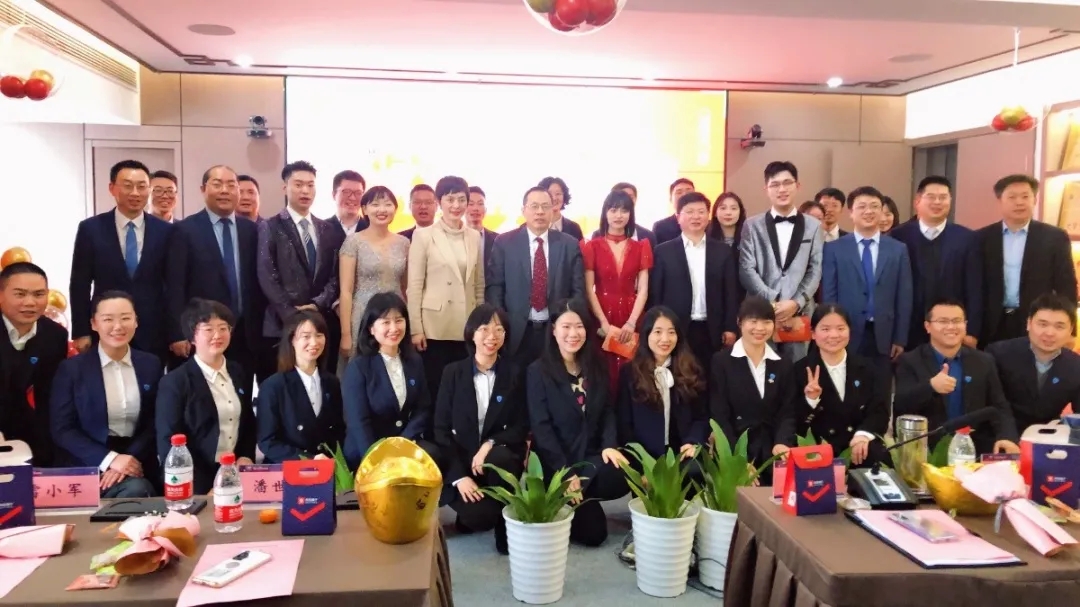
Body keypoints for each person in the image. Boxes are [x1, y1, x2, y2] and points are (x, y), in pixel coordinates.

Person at [527, 298, 628, 547]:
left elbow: (607, 410)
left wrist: (609, 445)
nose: (573, 334)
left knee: (619, 473)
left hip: (588, 459)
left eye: (579, 326)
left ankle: (579, 493)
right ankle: (561, 495)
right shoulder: (538, 371)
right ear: (554, 330)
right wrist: (565, 472)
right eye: (566, 327)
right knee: (593, 534)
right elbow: (542, 428)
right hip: (556, 462)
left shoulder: (596, 365)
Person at [433, 304, 527, 555]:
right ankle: (474, 512)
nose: (491, 336)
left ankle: (506, 528)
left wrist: (489, 444)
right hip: (463, 463)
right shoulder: (452, 373)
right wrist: (458, 476)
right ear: (471, 333)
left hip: (498, 460)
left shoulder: (514, 373)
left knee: (501, 456)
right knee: (479, 518)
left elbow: (520, 426)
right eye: (484, 329)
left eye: (499, 329)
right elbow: (440, 430)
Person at [50, 291, 159, 497]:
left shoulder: (150, 364)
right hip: (89, 460)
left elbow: (154, 422)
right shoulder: (72, 369)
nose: (118, 326)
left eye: (125, 318)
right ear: (94, 323)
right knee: (135, 490)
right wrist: (109, 459)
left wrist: (127, 460)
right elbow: (62, 429)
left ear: (136, 321)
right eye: (108, 319)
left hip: (138, 459)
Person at [166, 165, 265, 392]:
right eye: (217, 184)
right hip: (202, 333)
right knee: (204, 397)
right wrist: (178, 332)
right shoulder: (184, 230)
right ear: (203, 189)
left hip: (245, 334)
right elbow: (174, 285)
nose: (225, 190)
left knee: (241, 395)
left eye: (231, 185)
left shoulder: (251, 231)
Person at [70, 159, 174, 363]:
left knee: (151, 380)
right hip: (106, 328)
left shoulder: (166, 231)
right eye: (127, 186)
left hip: (153, 330)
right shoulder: (91, 229)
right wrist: (81, 330)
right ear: (112, 188)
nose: (135, 193)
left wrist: (175, 332)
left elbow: (173, 284)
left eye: (142, 186)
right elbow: (80, 283)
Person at [894, 298, 1020, 456]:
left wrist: (1007, 437)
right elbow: (901, 405)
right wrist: (931, 386)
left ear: (965, 325)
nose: (951, 327)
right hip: (928, 451)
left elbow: (1000, 406)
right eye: (943, 321)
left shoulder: (983, 361)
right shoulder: (910, 361)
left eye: (957, 321)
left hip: (974, 449)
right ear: (928, 326)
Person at [156, 298, 256, 495]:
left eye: (223, 328)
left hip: (234, 471)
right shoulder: (175, 382)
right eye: (208, 329)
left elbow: (247, 421)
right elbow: (168, 441)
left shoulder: (238, 372)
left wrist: (246, 456)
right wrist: (204, 489)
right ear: (192, 336)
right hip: (194, 479)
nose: (217, 335)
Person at [257, 161, 344, 379]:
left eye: (310, 185)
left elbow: (334, 276)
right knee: (283, 385)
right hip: (281, 325)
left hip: (319, 323)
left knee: (320, 383)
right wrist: (292, 314)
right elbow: (267, 275)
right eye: (298, 184)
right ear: (285, 188)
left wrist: (317, 304)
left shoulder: (327, 229)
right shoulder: (271, 226)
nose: (305, 190)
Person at [486, 186, 585, 367]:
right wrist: (501, 323)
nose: (540, 212)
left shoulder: (569, 244)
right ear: (523, 210)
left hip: (555, 332)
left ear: (553, 210)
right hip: (515, 331)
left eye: (545, 206)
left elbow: (578, 290)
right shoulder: (505, 242)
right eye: (534, 206)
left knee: (553, 380)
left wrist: (569, 326)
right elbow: (495, 287)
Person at [821, 186, 912, 380]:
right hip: (846, 332)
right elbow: (829, 295)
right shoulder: (834, 249)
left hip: (885, 335)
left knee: (881, 389)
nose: (868, 211)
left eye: (874, 206)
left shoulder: (898, 249)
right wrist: (831, 331)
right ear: (851, 212)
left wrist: (900, 338)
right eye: (862, 206)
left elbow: (904, 296)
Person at [407, 176, 485, 402]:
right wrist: (416, 329)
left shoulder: (474, 236)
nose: (456, 205)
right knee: (436, 386)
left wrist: (480, 323)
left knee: (463, 388)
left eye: (461, 199)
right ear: (439, 202)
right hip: (434, 327)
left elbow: (479, 283)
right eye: (450, 199)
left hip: (467, 324)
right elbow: (415, 285)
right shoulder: (424, 235)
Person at [976, 174, 1077, 346]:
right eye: (1012, 197)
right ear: (1000, 201)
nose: (1019, 202)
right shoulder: (981, 238)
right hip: (991, 322)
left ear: (1035, 200)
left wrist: (1070, 330)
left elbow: (1066, 286)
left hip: (1038, 321)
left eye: (1025, 196)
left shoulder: (1055, 237)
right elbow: (973, 286)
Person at [342, 292, 439, 470]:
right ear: (371, 328)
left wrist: (403, 443)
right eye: (386, 322)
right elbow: (358, 423)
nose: (394, 328)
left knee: (436, 457)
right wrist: (377, 459)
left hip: (404, 445)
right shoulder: (359, 367)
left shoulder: (414, 361)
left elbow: (423, 408)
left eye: (399, 320)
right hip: (368, 451)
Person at [739, 161, 824, 363]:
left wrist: (795, 302)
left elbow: (815, 269)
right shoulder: (752, 225)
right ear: (766, 189)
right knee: (761, 367)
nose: (782, 189)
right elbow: (746, 268)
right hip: (762, 311)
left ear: (797, 185)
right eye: (775, 184)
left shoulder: (813, 226)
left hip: (799, 312)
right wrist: (774, 301)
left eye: (787, 183)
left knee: (797, 369)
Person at [888, 176, 982, 351]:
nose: (937, 202)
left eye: (943, 197)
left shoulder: (967, 238)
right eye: (931, 197)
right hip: (908, 329)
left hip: (951, 328)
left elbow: (975, 288)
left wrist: (972, 331)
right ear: (917, 201)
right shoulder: (898, 236)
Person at [709, 296, 795, 482]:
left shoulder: (783, 363)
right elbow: (720, 416)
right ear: (739, 323)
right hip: (737, 456)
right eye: (753, 321)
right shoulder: (722, 362)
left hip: (774, 455)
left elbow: (788, 411)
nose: (760, 328)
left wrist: (782, 442)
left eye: (766, 322)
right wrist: (738, 461)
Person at [793, 304, 890, 468]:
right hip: (819, 458)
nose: (833, 335)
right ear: (813, 333)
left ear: (849, 331)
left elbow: (879, 411)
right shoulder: (799, 370)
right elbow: (794, 422)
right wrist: (811, 400)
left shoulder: (868, 368)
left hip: (861, 452)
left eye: (840, 328)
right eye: (825, 329)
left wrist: (863, 435)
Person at [651, 191, 738, 368]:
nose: (696, 217)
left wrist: (730, 327)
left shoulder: (722, 251)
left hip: (712, 328)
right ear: (678, 217)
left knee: (711, 375)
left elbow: (730, 292)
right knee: (677, 374)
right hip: (675, 327)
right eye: (689, 212)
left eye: (701, 212)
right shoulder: (663, 251)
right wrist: (657, 327)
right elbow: (656, 294)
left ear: (708, 216)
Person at [617, 306, 708, 463]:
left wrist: (692, 441)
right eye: (658, 332)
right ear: (646, 335)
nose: (665, 339)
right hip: (643, 457)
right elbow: (624, 423)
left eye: (671, 332)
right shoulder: (630, 372)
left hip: (683, 453)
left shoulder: (690, 369)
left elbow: (701, 417)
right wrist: (639, 460)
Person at [581, 189, 653, 390]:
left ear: (631, 214)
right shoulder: (592, 246)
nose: (618, 215)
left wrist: (631, 323)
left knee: (632, 369)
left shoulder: (641, 246)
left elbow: (643, 289)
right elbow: (589, 288)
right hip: (601, 311)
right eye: (613, 210)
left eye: (624, 210)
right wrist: (603, 322)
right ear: (605, 213)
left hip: (632, 313)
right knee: (601, 368)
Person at [0, 262, 69, 466]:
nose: (30, 302)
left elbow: (46, 395)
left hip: (20, 419)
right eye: (20, 294)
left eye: (39, 294)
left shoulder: (54, 335)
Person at [256, 310, 345, 462]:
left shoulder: (332, 383)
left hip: (327, 468)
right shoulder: (273, 386)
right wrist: (309, 460)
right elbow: (267, 442)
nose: (314, 342)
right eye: (306, 336)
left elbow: (338, 431)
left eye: (319, 335)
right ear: (292, 340)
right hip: (287, 470)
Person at [988, 293, 1080, 433]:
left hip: (1047, 436)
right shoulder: (998, 354)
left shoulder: (1076, 366)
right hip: (998, 435)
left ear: (1071, 330)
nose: (1050, 333)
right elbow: (991, 404)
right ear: (1029, 324)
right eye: (1043, 324)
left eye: (1059, 327)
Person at [338, 186, 409, 362]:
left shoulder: (404, 243)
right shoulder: (353, 242)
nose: (382, 210)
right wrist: (346, 334)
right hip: (363, 315)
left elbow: (406, 287)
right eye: (375, 204)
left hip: (394, 317)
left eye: (388, 204)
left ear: (395, 209)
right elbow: (346, 291)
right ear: (364, 209)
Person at [590, 182, 657, 247]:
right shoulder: (597, 236)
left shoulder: (648, 236)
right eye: (621, 197)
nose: (625, 201)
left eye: (630, 197)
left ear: (636, 199)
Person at [326, 170, 369, 239]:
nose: (352, 198)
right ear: (334, 195)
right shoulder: (321, 229)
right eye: (346, 192)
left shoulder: (372, 230)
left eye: (358, 193)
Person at [652, 178, 696, 245]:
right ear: (670, 199)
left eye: (689, 192)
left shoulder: (707, 225)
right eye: (679, 192)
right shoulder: (660, 227)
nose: (684, 195)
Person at [539, 176, 584, 241]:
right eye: (549, 194)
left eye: (558, 194)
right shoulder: (530, 227)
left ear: (564, 196)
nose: (554, 198)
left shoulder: (574, 228)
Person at [467, 186, 500, 266]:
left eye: (480, 204)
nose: (475, 208)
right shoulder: (453, 238)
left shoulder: (498, 240)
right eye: (471, 204)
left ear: (486, 209)